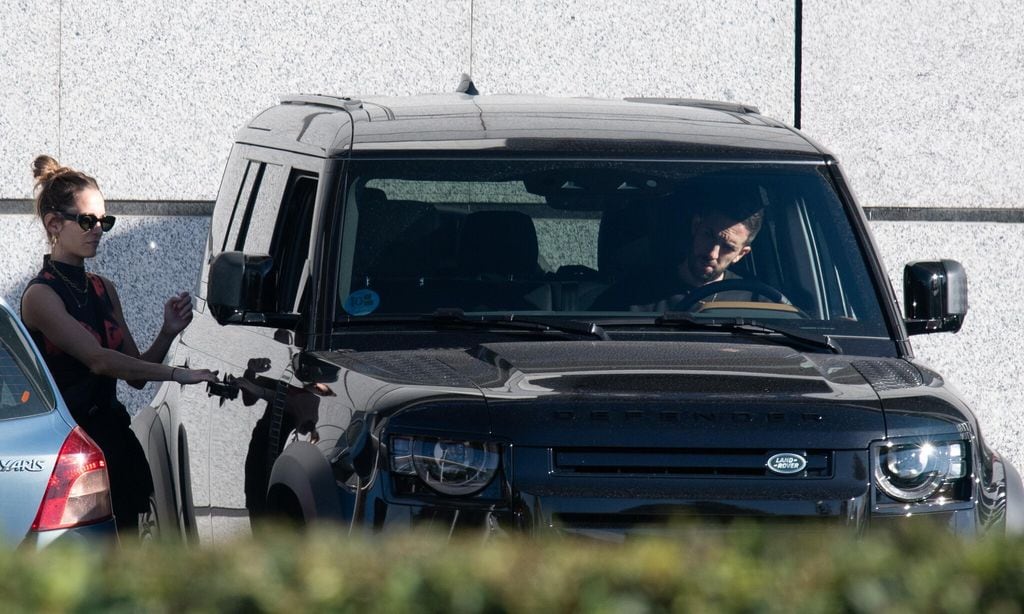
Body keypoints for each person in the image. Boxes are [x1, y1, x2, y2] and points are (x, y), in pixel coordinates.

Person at [20, 155, 219, 536]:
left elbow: (135, 373)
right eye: (87, 220)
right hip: (70, 447)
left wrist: (167, 332)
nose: (98, 230)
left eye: (104, 221)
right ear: (54, 224)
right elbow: (98, 360)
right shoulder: (40, 295)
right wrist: (178, 374)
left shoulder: (102, 288)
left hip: (112, 439)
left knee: (124, 554)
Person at [630, 201, 765, 312]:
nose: (712, 253)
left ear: (741, 254)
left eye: (728, 247)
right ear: (695, 226)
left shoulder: (757, 304)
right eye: (708, 235)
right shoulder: (635, 293)